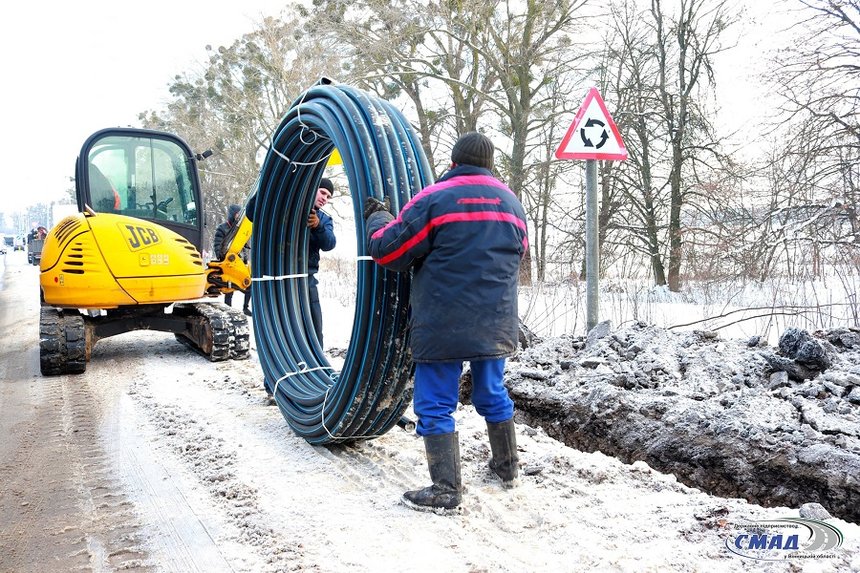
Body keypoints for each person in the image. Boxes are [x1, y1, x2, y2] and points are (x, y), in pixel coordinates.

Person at [365, 132, 529, 511]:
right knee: (491, 392)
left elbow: (390, 250)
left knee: (436, 403)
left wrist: (378, 216)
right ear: (490, 165)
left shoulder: (434, 199)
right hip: (497, 321)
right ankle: (507, 467)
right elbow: (517, 254)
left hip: (444, 322)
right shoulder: (511, 203)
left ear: (453, 162)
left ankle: (446, 490)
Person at [308, 178, 337, 347]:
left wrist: (318, 226)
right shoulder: (290, 207)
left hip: (307, 275)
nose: (325, 198)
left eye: (329, 196)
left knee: (314, 322)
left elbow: (329, 244)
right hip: (281, 275)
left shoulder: (324, 219)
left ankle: (317, 359)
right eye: (323, 192)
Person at [213, 203, 251, 315]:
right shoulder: (222, 228)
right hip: (228, 263)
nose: (238, 217)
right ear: (232, 214)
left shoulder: (240, 230)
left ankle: (245, 307)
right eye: (237, 214)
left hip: (240, 263)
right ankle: (228, 309)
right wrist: (222, 256)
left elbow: (243, 246)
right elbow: (218, 245)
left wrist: (245, 259)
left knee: (249, 286)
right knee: (229, 288)